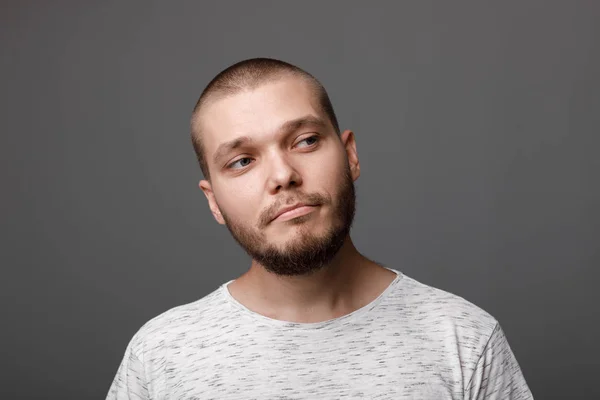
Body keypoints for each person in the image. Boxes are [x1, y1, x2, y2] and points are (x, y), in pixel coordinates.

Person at [107, 58, 533, 399]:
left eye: (305, 140)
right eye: (242, 161)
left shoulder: (463, 340)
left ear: (350, 156)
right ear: (213, 201)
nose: (282, 175)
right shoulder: (161, 355)